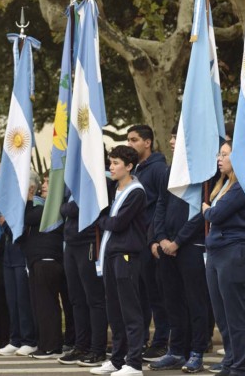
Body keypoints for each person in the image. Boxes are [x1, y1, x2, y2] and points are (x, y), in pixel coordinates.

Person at [149, 127, 209, 373]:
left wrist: (178, 241)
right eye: (171, 136)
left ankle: (196, 351)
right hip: (167, 247)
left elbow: (199, 213)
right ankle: (176, 351)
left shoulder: (203, 171)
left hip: (190, 247)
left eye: (176, 137)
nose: (171, 141)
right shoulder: (169, 171)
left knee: (195, 302)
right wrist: (160, 237)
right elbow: (161, 204)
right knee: (172, 300)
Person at [202, 140, 245, 376]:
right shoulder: (224, 185)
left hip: (234, 251)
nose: (219, 158)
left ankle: (241, 366)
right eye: (219, 154)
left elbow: (217, 213)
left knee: (236, 313)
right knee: (222, 314)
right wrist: (209, 211)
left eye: (224, 154)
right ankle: (230, 360)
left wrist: (207, 210)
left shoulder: (243, 184)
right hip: (217, 251)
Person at [91, 145, 147, 376]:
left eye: (116, 163)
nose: (111, 167)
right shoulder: (113, 188)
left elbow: (117, 223)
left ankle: (134, 363)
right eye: (110, 163)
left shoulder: (136, 192)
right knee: (114, 309)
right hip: (111, 254)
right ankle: (117, 359)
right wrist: (102, 219)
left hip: (127, 255)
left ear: (129, 166)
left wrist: (101, 220)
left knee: (130, 310)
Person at [126, 124, 169, 360]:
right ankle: (140, 340)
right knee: (139, 295)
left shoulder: (158, 169)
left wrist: (154, 237)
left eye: (134, 140)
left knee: (156, 295)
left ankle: (162, 341)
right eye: (128, 140)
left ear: (147, 142)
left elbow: (161, 206)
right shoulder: (135, 170)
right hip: (134, 242)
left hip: (150, 242)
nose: (130, 144)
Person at [59, 179, 109, 367]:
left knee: (94, 299)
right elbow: (64, 207)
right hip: (71, 243)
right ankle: (81, 345)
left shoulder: (98, 178)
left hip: (88, 242)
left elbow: (73, 209)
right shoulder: (75, 183)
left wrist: (66, 207)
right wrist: (66, 207)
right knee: (76, 299)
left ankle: (97, 350)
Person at [20, 171, 66, 359]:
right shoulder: (43, 206)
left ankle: (51, 346)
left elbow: (29, 216)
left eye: (49, 182)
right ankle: (46, 343)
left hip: (47, 262)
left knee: (47, 305)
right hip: (36, 262)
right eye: (44, 182)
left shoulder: (54, 208)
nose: (44, 185)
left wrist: (29, 199)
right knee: (41, 305)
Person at [0, 184, 37, 357]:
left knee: (23, 300)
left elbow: (22, 231)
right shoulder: (13, 206)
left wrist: (8, 220)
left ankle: (29, 340)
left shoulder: (35, 206)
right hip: (9, 257)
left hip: (22, 257)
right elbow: (7, 230)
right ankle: (15, 339)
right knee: (11, 300)